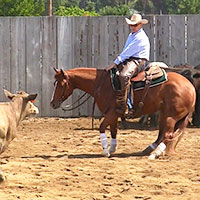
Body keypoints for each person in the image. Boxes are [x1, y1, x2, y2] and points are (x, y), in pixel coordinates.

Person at [106, 14, 150, 115]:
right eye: (131, 25)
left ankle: (126, 105)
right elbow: (127, 52)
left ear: (140, 25)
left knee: (124, 76)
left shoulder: (140, 37)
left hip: (138, 60)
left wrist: (115, 63)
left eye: (134, 25)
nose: (132, 27)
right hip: (131, 59)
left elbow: (128, 52)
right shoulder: (132, 35)